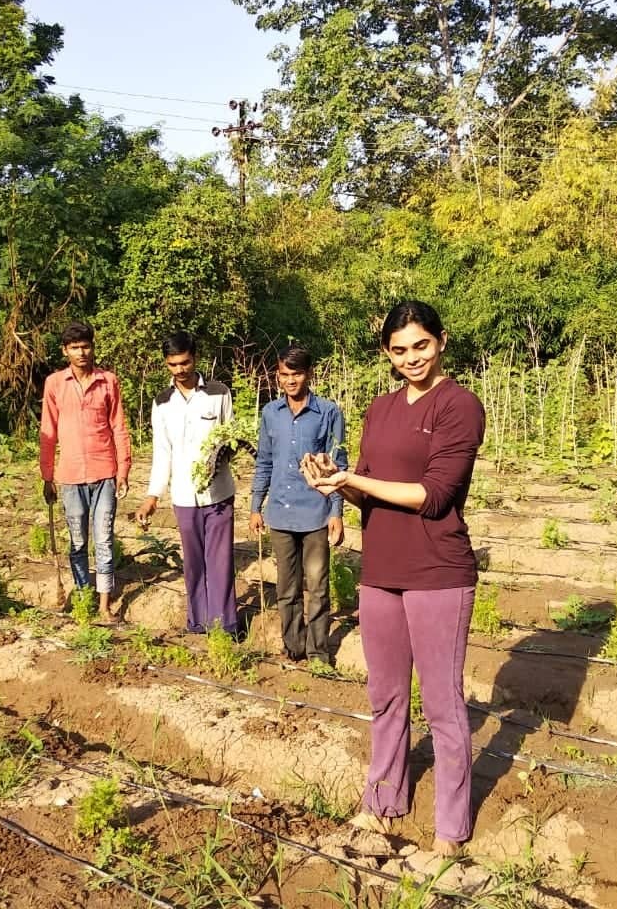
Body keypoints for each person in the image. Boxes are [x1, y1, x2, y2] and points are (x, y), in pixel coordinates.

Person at [301, 301, 484, 856]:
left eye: (421, 346)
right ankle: (382, 801)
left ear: (442, 341)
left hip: (438, 572)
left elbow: (433, 497)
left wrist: (356, 477)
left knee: (443, 706)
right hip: (381, 569)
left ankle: (451, 828)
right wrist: (337, 484)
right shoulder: (379, 409)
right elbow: (371, 491)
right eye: (400, 350)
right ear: (387, 353)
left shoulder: (459, 405)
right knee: (384, 696)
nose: (412, 359)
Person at [249, 346, 346, 666]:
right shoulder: (270, 413)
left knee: (317, 586)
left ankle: (319, 652)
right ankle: (293, 647)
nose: (291, 381)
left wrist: (336, 512)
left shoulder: (329, 412)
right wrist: (255, 506)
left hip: (315, 513)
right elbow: (263, 461)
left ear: (310, 374)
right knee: (287, 588)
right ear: (277, 376)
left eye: (297, 374)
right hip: (280, 511)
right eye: (284, 374)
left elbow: (337, 467)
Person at [136, 332, 238, 636]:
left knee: (220, 562)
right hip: (183, 496)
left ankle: (225, 628)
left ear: (195, 358)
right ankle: (198, 624)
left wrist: (216, 462)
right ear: (166, 364)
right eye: (173, 364)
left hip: (218, 493)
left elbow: (230, 440)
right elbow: (162, 452)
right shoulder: (162, 403)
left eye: (185, 362)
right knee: (194, 563)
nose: (180, 369)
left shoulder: (219, 393)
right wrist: (153, 495)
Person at [39, 321, 132, 619]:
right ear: (65, 350)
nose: (81, 352)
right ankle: (83, 595)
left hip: (104, 471)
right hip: (69, 475)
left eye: (86, 346)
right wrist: (47, 475)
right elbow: (48, 431)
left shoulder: (108, 381)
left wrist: (123, 470)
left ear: (93, 346)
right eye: (75, 347)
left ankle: (105, 604)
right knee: (77, 540)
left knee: (103, 538)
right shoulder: (55, 384)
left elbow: (119, 427)